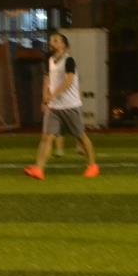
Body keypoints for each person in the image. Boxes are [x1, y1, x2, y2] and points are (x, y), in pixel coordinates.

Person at [25, 32, 99, 180]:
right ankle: (39, 169)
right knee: (46, 138)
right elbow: (47, 79)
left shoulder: (69, 60)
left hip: (71, 106)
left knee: (81, 137)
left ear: (63, 45)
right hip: (54, 108)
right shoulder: (49, 59)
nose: (52, 42)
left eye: (56, 40)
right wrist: (45, 98)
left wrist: (53, 95)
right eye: (51, 40)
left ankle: (92, 166)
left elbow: (68, 81)